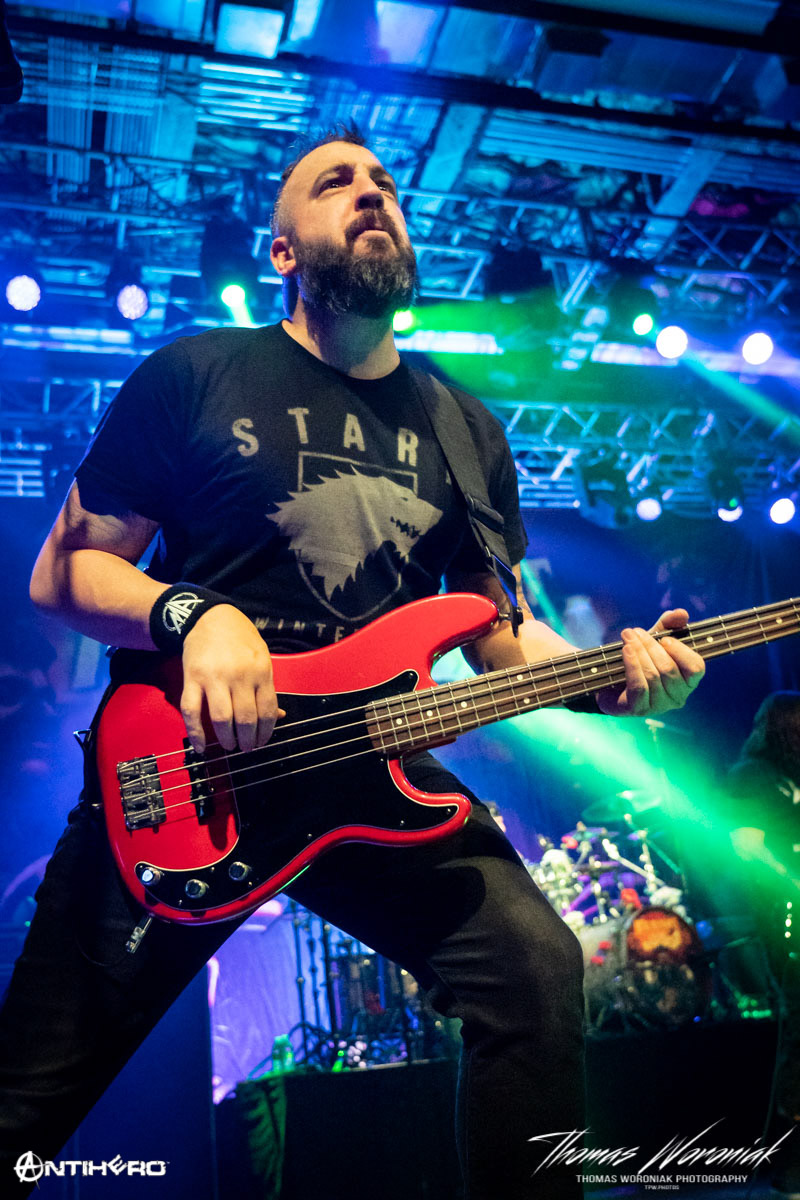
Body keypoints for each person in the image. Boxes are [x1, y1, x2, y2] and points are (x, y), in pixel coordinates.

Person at [0, 124, 706, 1200]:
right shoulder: (197, 372)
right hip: (188, 775)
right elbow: (66, 573)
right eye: (336, 184)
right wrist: (195, 614)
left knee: (532, 969)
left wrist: (607, 679)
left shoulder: (464, 430)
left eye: (384, 184)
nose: (371, 194)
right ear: (283, 250)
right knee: (26, 1101)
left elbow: (496, 631)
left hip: (373, 770)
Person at [725, 692, 800, 1198]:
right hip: (784, 915)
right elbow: (744, 847)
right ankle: (790, 1163)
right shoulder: (750, 775)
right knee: (798, 1026)